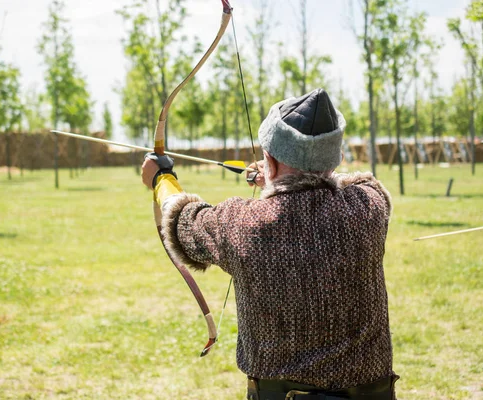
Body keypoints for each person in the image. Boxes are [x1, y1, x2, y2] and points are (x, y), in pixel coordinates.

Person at [141, 89, 399, 400]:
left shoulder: (242, 223)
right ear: (337, 158)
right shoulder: (367, 207)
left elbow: (181, 217)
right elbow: (350, 181)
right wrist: (288, 174)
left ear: (270, 161)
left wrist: (162, 178)